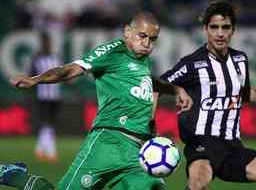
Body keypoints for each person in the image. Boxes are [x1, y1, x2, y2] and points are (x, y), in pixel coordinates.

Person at [0, 12, 193, 190]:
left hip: (137, 155)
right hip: (108, 144)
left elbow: (148, 82)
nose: (147, 43)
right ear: (127, 31)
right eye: (142, 36)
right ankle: (16, 176)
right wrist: (36, 79)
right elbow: (73, 69)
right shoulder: (113, 52)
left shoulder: (141, 59)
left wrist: (175, 89)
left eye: (152, 39)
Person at [159, 0, 256, 190]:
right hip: (202, 146)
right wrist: (178, 89)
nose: (220, 33)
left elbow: (247, 95)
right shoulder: (192, 63)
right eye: (214, 27)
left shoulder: (240, 60)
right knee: (198, 184)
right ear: (206, 29)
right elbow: (159, 83)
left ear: (233, 30)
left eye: (225, 27)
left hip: (232, 147)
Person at [30, 31, 62, 162]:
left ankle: (39, 150)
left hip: (55, 96)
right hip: (42, 96)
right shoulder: (37, 59)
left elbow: (63, 74)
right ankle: (51, 151)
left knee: (49, 124)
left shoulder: (56, 58)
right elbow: (31, 76)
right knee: (47, 124)